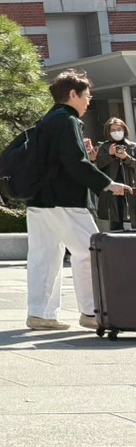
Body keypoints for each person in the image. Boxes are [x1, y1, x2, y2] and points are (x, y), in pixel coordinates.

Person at [26, 70, 131, 329]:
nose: (89, 101)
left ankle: (40, 313)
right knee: (90, 252)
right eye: (86, 96)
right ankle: (92, 312)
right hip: (66, 199)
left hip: (39, 198)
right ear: (72, 94)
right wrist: (107, 183)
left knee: (45, 254)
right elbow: (75, 162)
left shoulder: (48, 119)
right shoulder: (67, 120)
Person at [95, 116, 135, 232]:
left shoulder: (132, 146)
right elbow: (99, 166)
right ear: (108, 132)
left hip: (131, 187)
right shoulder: (103, 147)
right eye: (113, 130)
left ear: (124, 129)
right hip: (113, 190)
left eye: (119, 129)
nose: (116, 132)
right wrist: (111, 155)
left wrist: (126, 158)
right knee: (115, 223)